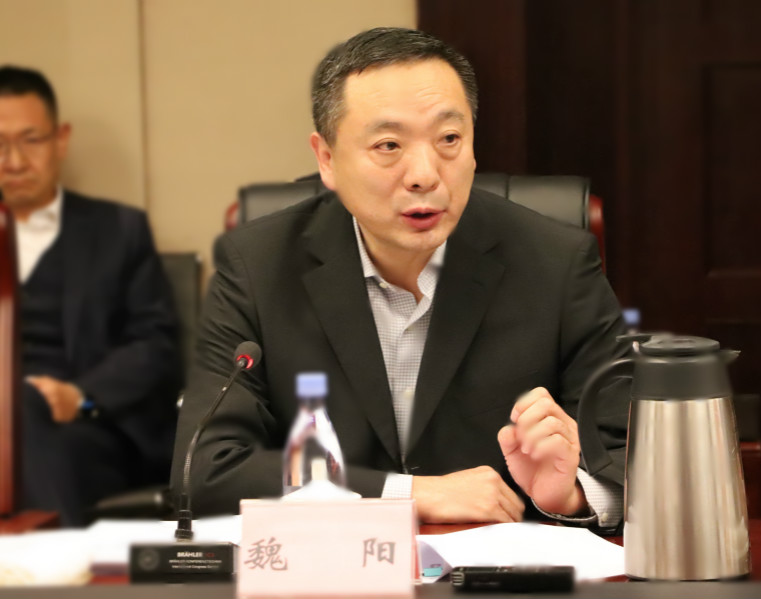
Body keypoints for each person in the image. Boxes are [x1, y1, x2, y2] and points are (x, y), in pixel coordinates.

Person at [173, 28, 629, 529]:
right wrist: (404, 494)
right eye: (389, 145)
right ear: (327, 158)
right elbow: (206, 471)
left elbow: (630, 459)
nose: (425, 175)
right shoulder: (258, 266)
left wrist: (570, 495)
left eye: (449, 139)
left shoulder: (557, 263)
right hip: (331, 564)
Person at [0, 66, 183, 526]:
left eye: (31, 140)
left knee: (36, 431)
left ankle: (46, 565)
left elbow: (155, 344)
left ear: (60, 140)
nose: (15, 161)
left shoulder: (118, 229)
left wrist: (81, 395)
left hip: (84, 425)